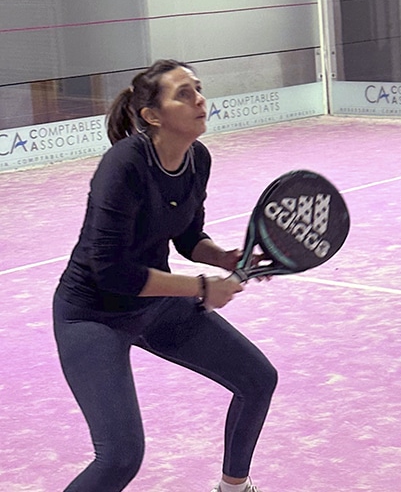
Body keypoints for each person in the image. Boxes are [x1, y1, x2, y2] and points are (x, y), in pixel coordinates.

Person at [52, 59, 276, 492]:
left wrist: (226, 259)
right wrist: (202, 287)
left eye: (198, 89)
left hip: (153, 307)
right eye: (184, 94)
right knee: (120, 457)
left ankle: (233, 488)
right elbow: (112, 272)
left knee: (258, 380)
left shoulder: (197, 159)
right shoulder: (124, 165)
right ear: (152, 116)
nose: (200, 100)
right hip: (92, 315)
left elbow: (188, 237)